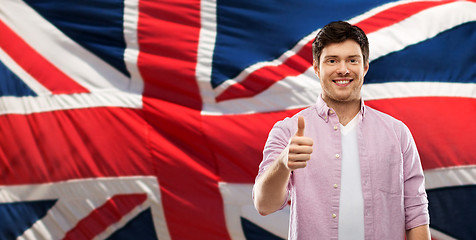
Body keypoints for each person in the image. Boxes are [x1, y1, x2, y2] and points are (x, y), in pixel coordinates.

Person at [253, 21, 430, 239]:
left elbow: (416, 214)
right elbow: (264, 205)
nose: (343, 69)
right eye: (332, 60)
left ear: (365, 66)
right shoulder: (287, 131)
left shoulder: (398, 133)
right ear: (317, 68)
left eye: (352, 60)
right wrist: (283, 163)